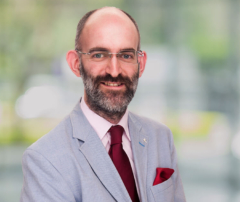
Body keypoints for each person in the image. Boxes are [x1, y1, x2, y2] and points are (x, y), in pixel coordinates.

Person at [20, 6, 186, 202]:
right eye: (99, 55)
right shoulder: (45, 159)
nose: (114, 71)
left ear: (141, 64)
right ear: (75, 63)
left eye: (126, 55)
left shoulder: (160, 138)